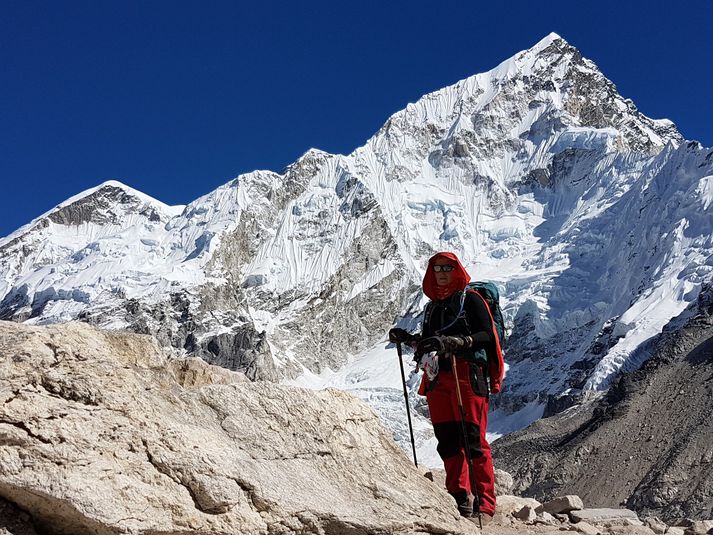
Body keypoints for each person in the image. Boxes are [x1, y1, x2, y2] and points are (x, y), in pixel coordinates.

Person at [389, 251, 504, 520]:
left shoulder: (471, 300)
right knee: (448, 440)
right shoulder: (433, 306)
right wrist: (406, 339)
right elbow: (429, 342)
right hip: (439, 377)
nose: (441, 272)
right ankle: (459, 496)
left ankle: (485, 504)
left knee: (473, 441)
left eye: (447, 268)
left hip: (467, 375)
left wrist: (458, 342)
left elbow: (488, 336)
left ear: (457, 270)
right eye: (437, 267)